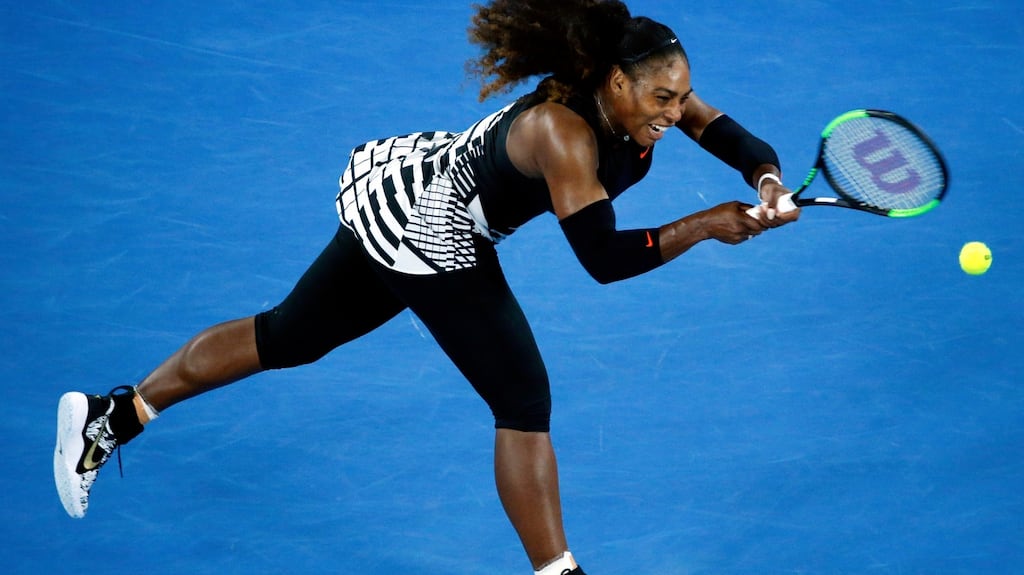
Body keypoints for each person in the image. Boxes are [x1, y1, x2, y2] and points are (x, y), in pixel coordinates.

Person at [53, 1, 799, 573]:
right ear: (616, 83)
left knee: (290, 335)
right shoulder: (563, 134)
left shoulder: (647, 96)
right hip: (431, 230)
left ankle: (112, 414)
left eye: (683, 97)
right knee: (522, 397)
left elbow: (732, 138)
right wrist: (706, 224)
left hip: (414, 194)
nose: (678, 112)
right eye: (665, 100)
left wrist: (764, 179)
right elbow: (602, 260)